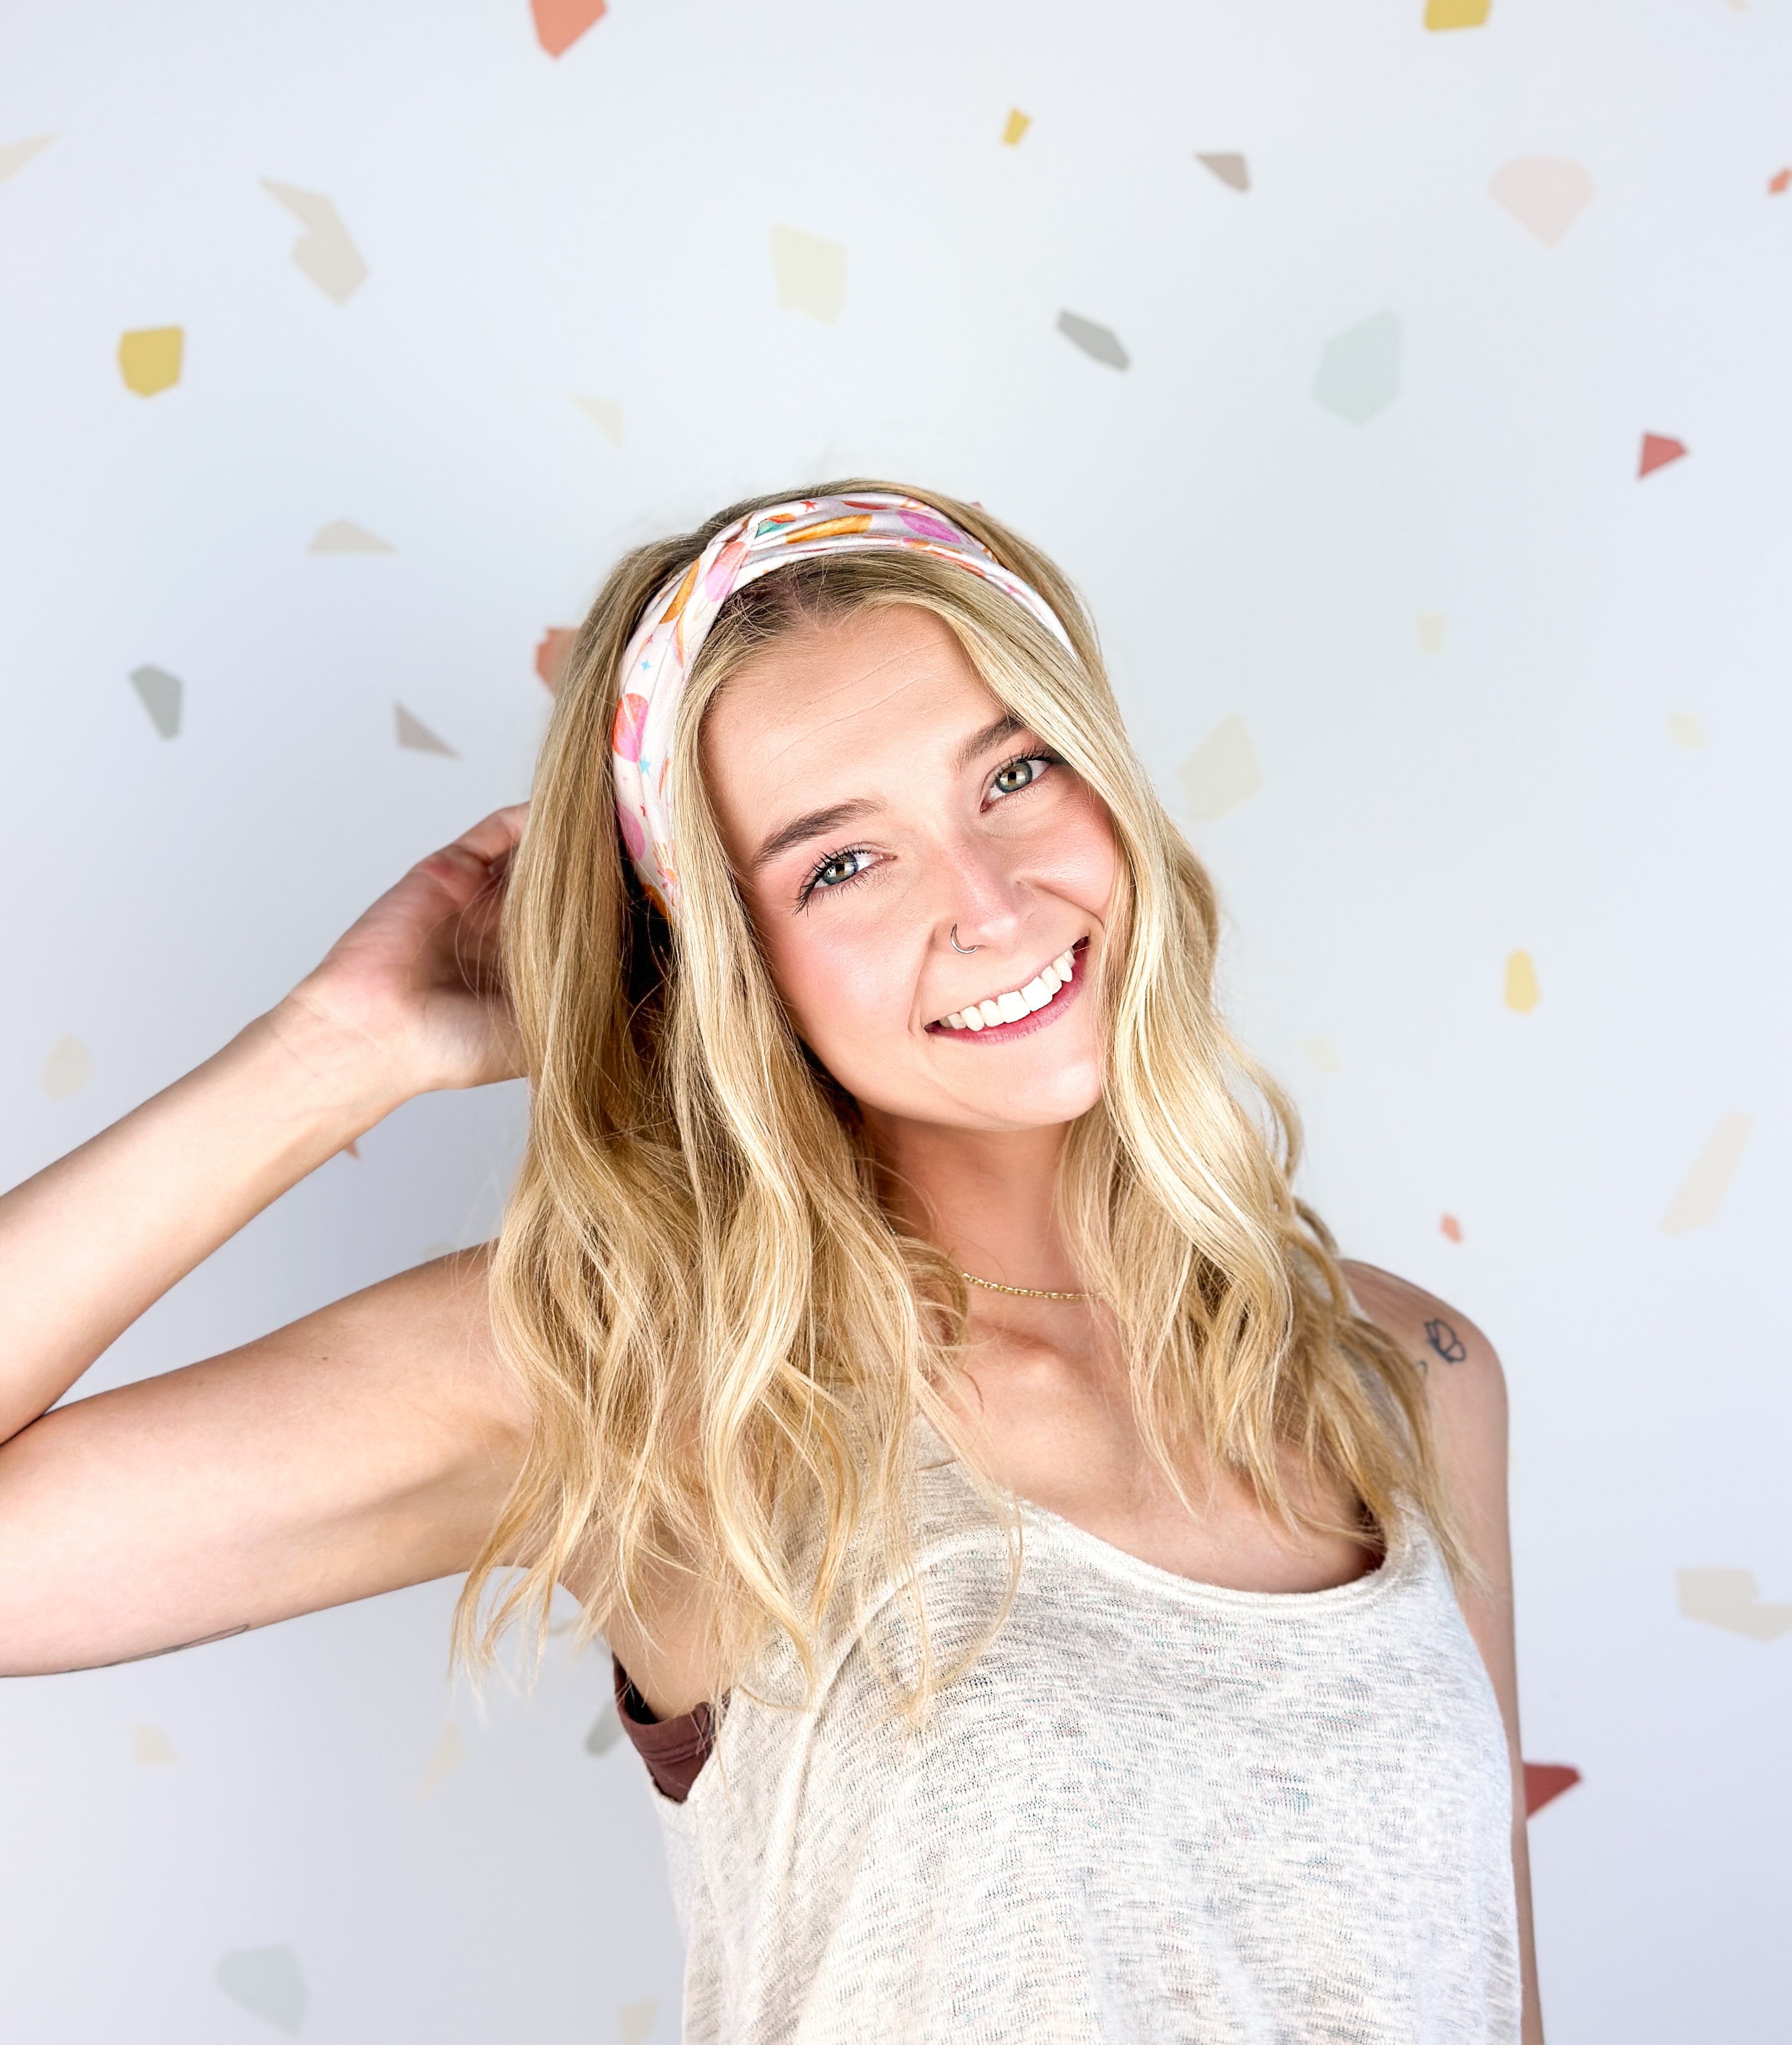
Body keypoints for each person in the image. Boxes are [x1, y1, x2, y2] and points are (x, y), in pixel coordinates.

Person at [0, 482, 1540, 2042]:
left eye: (1014, 772)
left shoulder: (1406, 1372)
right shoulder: (647, 1372)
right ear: (731, 959)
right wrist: (334, 1053)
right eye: (840, 866)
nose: (992, 903)